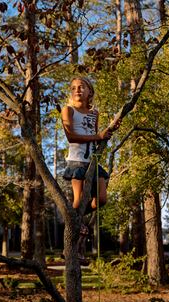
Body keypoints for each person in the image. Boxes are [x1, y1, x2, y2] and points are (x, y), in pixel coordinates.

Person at [61, 77, 118, 262]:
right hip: (77, 161)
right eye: (74, 88)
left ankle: (74, 220)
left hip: (93, 161)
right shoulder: (68, 110)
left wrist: (109, 130)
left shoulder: (94, 113)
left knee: (101, 199)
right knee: (79, 199)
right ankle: (73, 241)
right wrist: (97, 135)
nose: (77, 90)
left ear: (89, 92)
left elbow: (95, 137)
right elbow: (71, 137)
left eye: (81, 87)